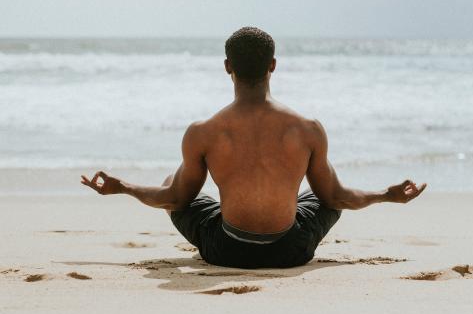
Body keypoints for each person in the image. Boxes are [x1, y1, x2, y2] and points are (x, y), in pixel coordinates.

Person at [82, 27, 426, 269]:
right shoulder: (307, 129)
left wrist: (122, 187)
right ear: (273, 66)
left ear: (228, 66)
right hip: (291, 251)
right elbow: (337, 199)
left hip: (227, 251)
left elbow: (173, 200)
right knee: (325, 192)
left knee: (175, 182)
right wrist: (386, 195)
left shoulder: (204, 132)